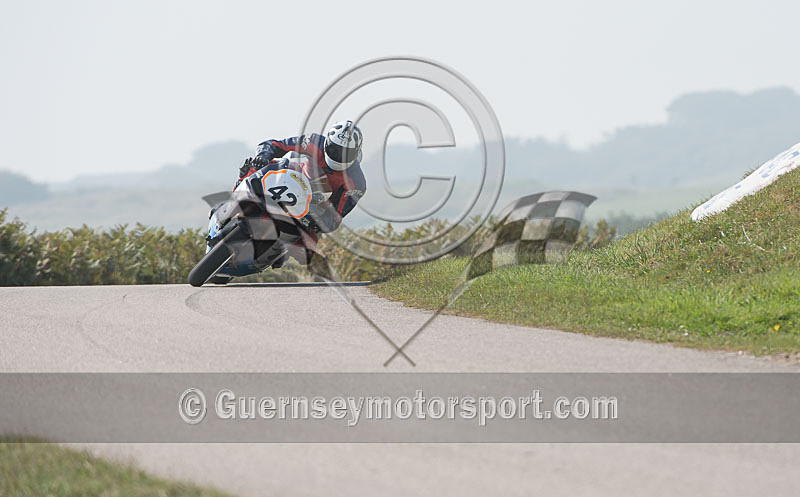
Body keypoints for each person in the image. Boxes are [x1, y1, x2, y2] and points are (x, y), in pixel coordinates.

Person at [236, 120, 366, 267]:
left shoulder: (357, 183)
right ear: (327, 144)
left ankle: (277, 252)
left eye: (346, 154)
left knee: (307, 252)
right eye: (335, 150)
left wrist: (317, 220)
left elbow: (336, 217)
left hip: (312, 207)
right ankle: (241, 186)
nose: (339, 156)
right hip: (288, 180)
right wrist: (263, 156)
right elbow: (274, 145)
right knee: (253, 165)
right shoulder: (313, 142)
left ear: (356, 152)